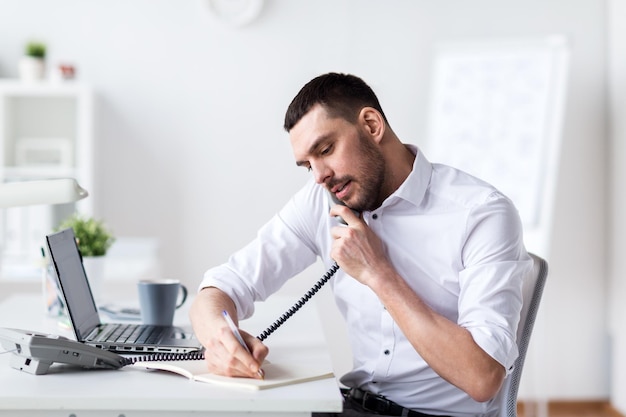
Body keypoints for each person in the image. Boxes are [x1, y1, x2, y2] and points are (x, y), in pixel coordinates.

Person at [189, 72, 533, 417]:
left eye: (325, 150)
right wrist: (220, 337)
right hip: (352, 406)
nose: (319, 175)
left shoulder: (481, 214)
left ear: (371, 125)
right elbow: (224, 284)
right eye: (307, 164)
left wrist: (379, 274)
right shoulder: (322, 201)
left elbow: (482, 377)